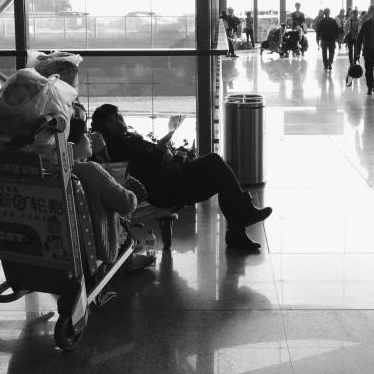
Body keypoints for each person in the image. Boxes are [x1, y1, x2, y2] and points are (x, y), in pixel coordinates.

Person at [91, 105, 273, 250]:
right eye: (111, 121)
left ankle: (238, 226)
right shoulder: (119, 147)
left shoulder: (127, 138)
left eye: (117, 115)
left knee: (216, 165)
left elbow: (151, 163)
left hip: (168, 179)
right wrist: (166, 155)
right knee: (217, 169)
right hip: (162, 190)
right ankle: (237, 228)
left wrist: (166, 154)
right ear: (104, 129)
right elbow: (147, 174)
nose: (118, 121)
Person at [67, 117, 155, 269]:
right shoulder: (91, 170)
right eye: (86, 133)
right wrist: (129, 190)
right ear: (72, 143)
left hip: (69, 244)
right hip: (98, 244)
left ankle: (130, 258)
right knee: (122, 207)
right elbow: (127, 204)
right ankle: (130, 260)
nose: (90, 138)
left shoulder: (54, 171)